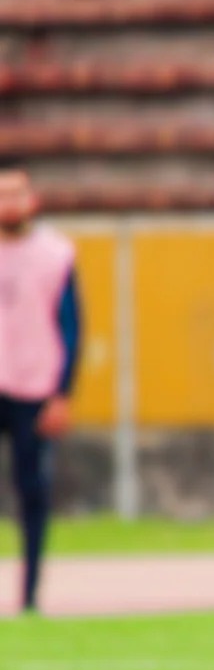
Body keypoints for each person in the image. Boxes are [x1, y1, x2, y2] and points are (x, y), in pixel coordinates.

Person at [0, 169, 82, 612]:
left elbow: (72, 327)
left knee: (32, 489)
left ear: (32, 200)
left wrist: (61, 392)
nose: (9, 203)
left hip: (33, 385)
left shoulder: (55, 255)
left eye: (16, 194)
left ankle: (29, 594)